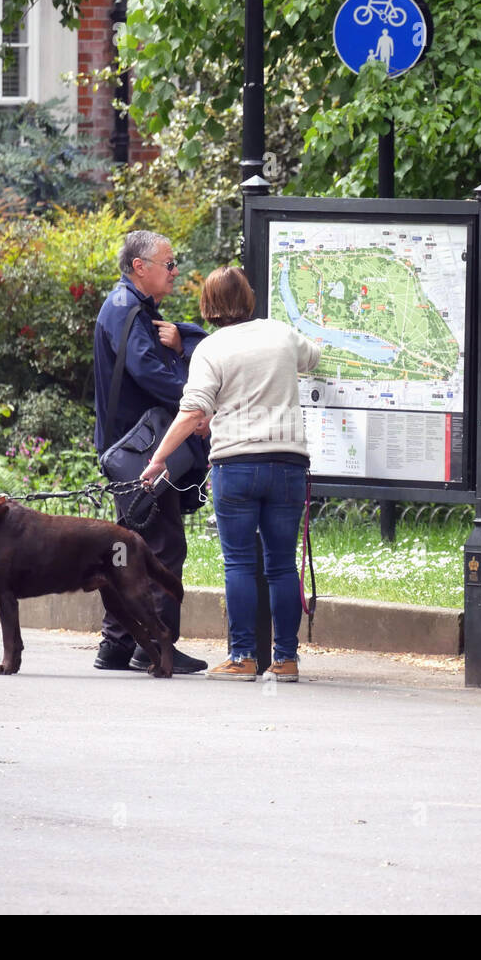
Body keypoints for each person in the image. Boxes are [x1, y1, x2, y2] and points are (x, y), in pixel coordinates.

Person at [141, 266, 321, 681]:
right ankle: (286, 659)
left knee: (239, 564)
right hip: (288, 463)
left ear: (208, 305)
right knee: (281, 565)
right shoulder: (281, 335)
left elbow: (193, 411)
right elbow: (314, 356)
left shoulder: (210, 349)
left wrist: (159, 459)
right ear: (249, 297)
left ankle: (242, 658)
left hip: (235, 465)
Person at [92, 230, 210, 674]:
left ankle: (117, 645)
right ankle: (154, 647)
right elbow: (148, 371)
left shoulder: (128, 308)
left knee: (129, 546)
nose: (175, 270)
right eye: (168, 263)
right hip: (140, 450)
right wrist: (197, 399)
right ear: (140, 266)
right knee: (161, 545)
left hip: (128, 448)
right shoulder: (127, 309)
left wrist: (180, 341)